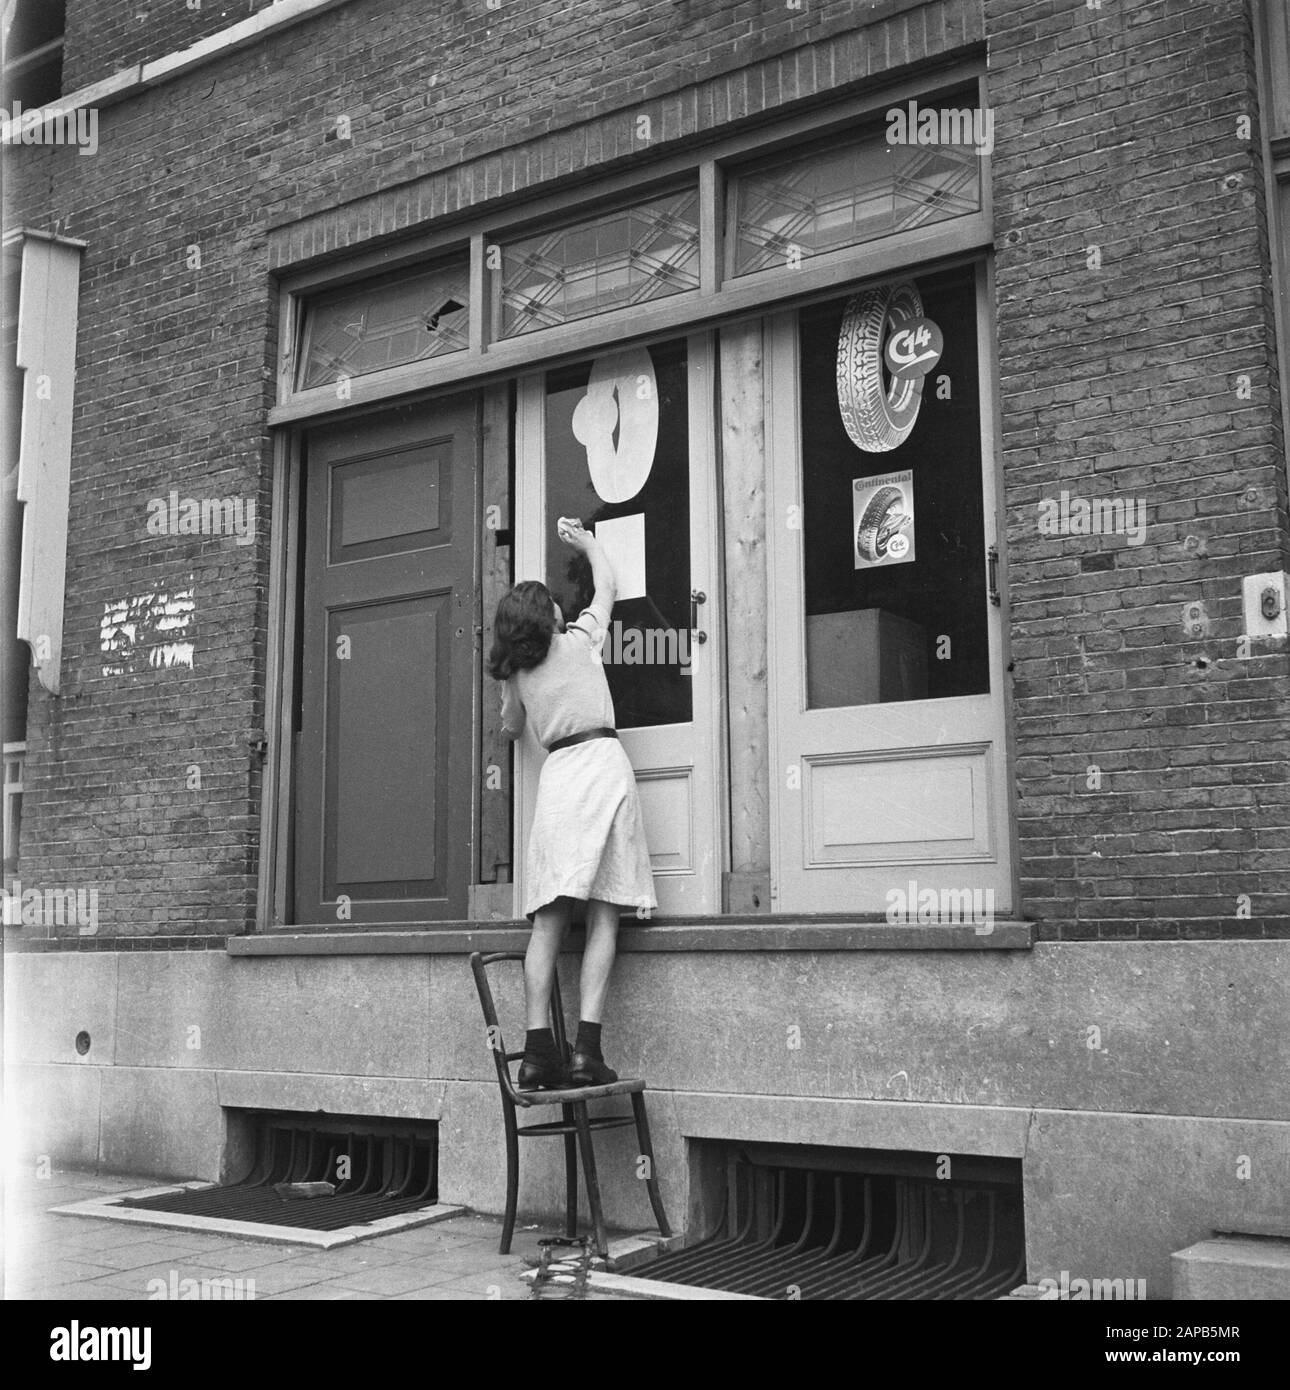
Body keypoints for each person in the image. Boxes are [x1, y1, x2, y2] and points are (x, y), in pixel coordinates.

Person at [488, 519, 656, 1089]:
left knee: (548, 925)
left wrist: (516, 697)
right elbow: (605, 587)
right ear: (551, 618)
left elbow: (510, 731)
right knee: (606, 912)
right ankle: (587, 1051)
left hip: (559, 782)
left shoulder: (516, 675)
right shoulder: (581, 643)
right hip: (604, 771)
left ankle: (537, 1055)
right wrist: (587, 545)